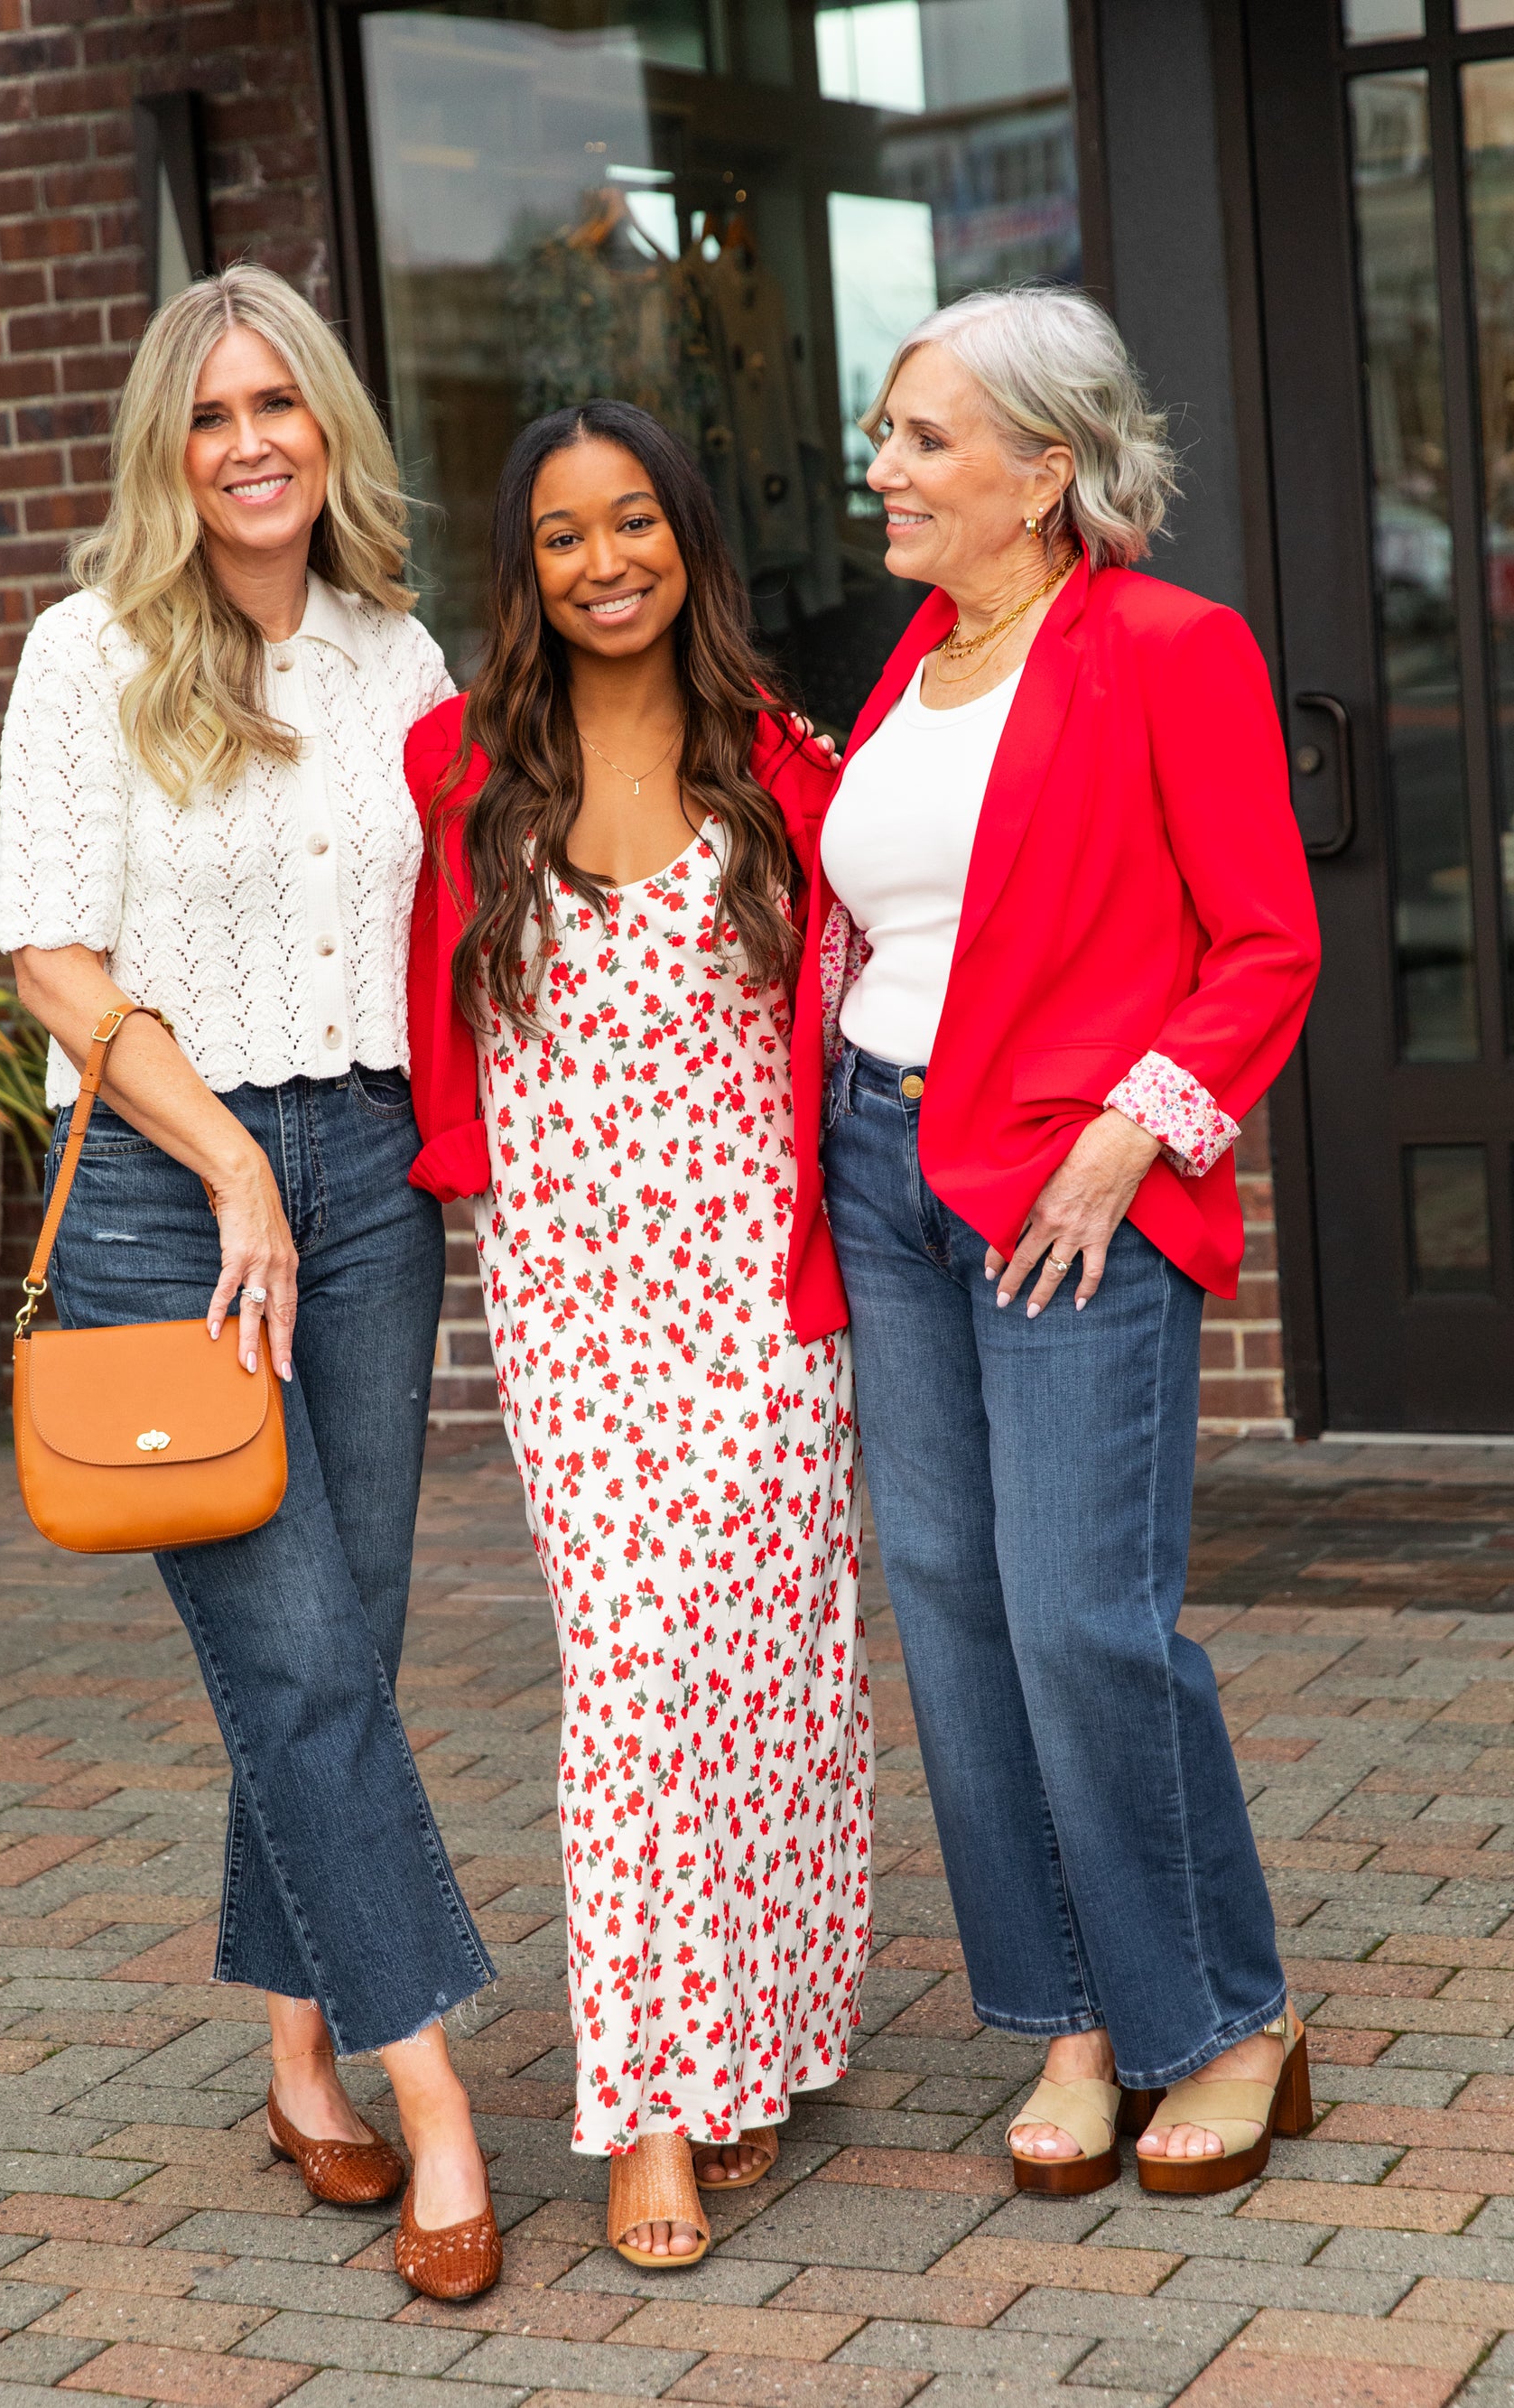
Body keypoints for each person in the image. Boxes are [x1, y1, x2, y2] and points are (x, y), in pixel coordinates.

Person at [0, 263, 502, 2299]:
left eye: (277, 403)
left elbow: (463, 913)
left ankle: (298, 2052)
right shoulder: (84, 648)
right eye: (208, 414)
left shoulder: (395, 652)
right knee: (290, 1657)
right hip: (155, 1189)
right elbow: (50, 951)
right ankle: (436, 2093)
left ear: (329, 427)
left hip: (370, 1176)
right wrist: (226, 1167)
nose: (248, 442)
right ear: (164, 447)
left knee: (343, 1644)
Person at [811, 287, 1321, 2197]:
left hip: (1065, 1191)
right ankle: (1077, 2015)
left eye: (925, 438)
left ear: (1045, 470)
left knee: (1080, 1616)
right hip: (885, 1169)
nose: (885, 468)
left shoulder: (1168, 650)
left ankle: (1226, 2013)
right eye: (888, 431)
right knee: (948, 1614)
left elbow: (1266, 939)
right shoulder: (907, 666)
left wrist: (1129, 1137)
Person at [404, 401, 872, 2265]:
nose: (604, 563)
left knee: (767, 1674)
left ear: (689, 536)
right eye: (560, 536)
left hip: (759, 1296)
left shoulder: (784, 765)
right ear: (519, 567)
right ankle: (649, 2105)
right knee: (632, 1682)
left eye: (634, 525)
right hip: (572, 1302)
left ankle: (761, 2036)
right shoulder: (456, 760)